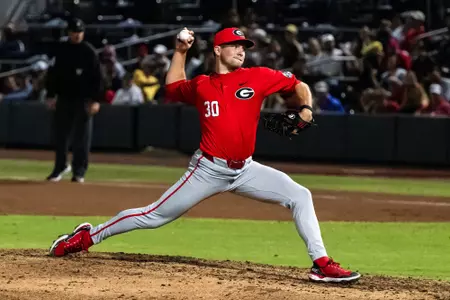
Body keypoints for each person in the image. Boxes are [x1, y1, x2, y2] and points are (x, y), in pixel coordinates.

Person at [49, 27, 361, 283]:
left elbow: (299, 84)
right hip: (208, 169)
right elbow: (172, 88)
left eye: (244, 46)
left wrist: (305, 107)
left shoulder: (259, 76)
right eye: (234, 45)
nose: (241, 50)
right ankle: (88, 237)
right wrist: (181, 52)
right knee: (154, 216)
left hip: (246, 170)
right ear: (217, 50)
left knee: (300, 195)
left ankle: (321, 263)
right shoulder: (201, 85)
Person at [45, 18, 102, 183]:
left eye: (79, 32)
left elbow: (98, 78)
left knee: (82, 137)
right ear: (69, 33)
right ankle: (60, 167)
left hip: (84, 99)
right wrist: (50, 95)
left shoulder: (89, 52)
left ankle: (79, 171)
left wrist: (95, 100)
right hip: (64, 97)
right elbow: (53, 75)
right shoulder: (62, 50)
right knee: (60, 136)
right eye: (74, 32)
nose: (76, 35)